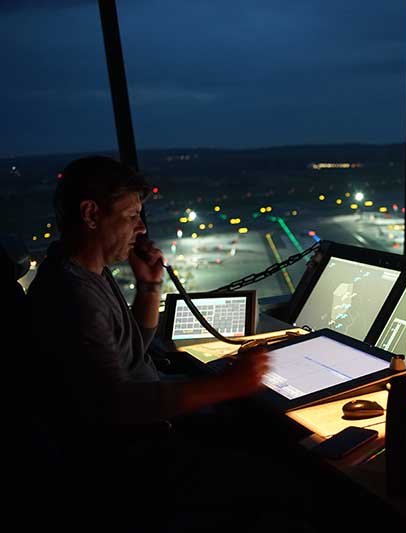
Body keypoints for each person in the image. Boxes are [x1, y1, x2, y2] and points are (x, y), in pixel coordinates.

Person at [26, 156, 312, 531]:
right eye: (131, 217)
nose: (141, 230)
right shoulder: (72, 295)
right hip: (133, 460)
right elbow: (118, 404)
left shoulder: (87, 273)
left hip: (143, 435)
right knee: (287, 472)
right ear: (91, 214)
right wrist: (227, 385)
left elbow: (133, 350)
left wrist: (149, 287)